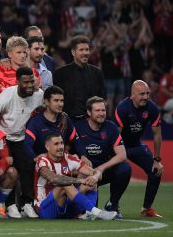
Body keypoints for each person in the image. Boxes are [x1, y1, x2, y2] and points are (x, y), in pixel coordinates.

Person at [0, 66, 44, 218]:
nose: (29, 85)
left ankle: (27, 204)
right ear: (17, 81)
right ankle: (10, 205)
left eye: (31, 81)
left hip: (20, 138)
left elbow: (48, 106)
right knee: (10, 170)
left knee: (29, 165)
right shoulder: (7, 95)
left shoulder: (38, 95)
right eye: (25, 82)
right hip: (3, 138)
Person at [34, 133, 117, 220]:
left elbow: (96, 173)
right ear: (47, 147)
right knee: (65, 184)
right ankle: (97, 212)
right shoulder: (42, 161)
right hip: (45, 209)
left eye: (62, 143)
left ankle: (89, 214)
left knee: (91, 182)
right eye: (56, 144)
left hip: (64, 207)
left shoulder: (69, 158)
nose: (60, 147)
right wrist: (80, 181)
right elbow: (54, 179)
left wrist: (94, 177)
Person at [114, 80, 164, 217]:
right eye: (142, 94)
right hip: (121, 146)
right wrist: (114, 157)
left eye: (147, 93)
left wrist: (157, 159)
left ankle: (146, 209)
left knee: (156, 171)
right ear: (133, 95)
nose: (146, 97)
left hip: (136, 145)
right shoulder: (123, 108)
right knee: (119, 172)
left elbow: (157, 134)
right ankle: (113, 206)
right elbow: (115, 136)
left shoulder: (152, 108)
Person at [75, 96, 131, 218]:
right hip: (84, 173)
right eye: (98, 110)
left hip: (102, 172)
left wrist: (101, 168)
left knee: (125, 168)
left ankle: (112, 204)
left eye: (103, 110)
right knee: (89, 212)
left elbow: (122, 155)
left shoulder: (110, 127)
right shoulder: (78, 127)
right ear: (89, 112)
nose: (101, 113)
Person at [24, 86, 85, 160]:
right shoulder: (36, 122)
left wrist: (83, 155)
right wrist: (35, 158)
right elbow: (27, 145)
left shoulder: (65, 119)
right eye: (56, 100)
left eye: (62, 101)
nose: (60, 104)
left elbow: (76, 139)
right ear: (46, 102)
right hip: (44, 164)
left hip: (62, 162)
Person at [53, 35, 105, 121]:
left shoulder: (97, 72)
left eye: (87, 50)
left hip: (91, 122)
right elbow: (55, 101)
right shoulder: (60, 73)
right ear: (73, 52)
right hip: (68, 122)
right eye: (81, 50)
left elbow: (102, 98)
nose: (85, 53)